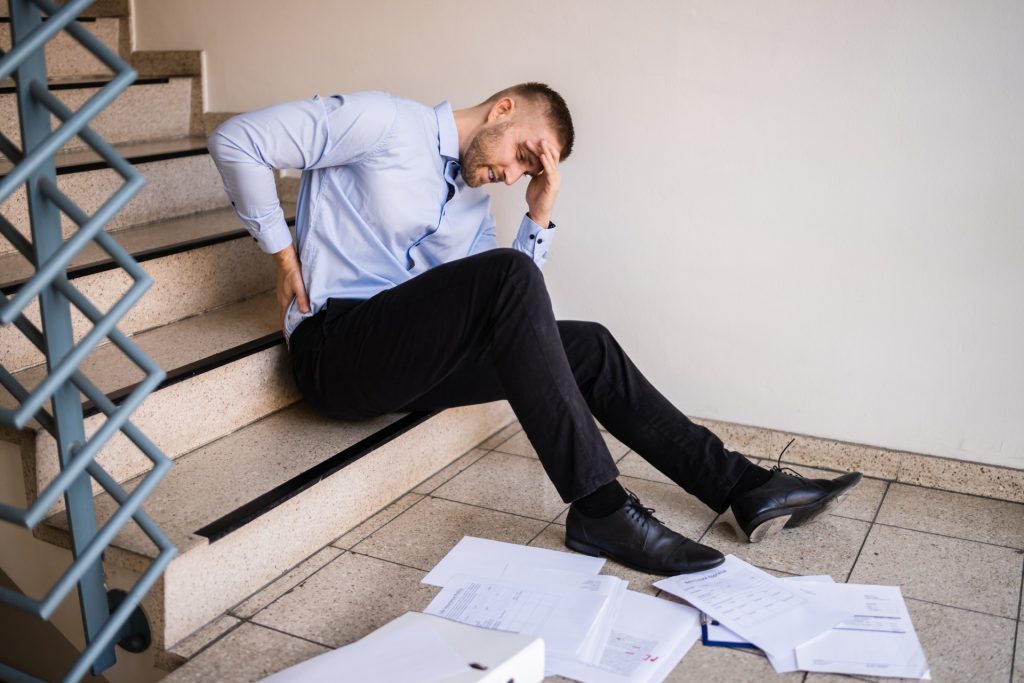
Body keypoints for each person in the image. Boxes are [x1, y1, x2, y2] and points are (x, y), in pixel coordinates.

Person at [208, 83, 861, 576]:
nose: (513, 175)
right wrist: (280, 250)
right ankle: (601, 507)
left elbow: (515, 320)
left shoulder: (470, 210)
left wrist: (540, 213)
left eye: (529, 172)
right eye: (522, 156)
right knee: (508, 276)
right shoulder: (384, 122)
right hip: (336, 350)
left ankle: (743, 487)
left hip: (405, 362)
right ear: (501, 109)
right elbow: (237, 138)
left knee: (591, 344)